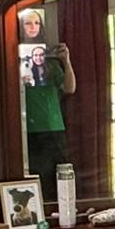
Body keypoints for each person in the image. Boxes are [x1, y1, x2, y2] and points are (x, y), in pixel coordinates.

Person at [19, 10, 76, 179]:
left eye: (37, 23)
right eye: (28, 23)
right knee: (34, 177)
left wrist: (66, 60)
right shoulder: (12, 58)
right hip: (27, 128)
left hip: (53, 127)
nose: (33, 27)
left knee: (58, 178)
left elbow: (70, 88)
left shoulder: (50, 59)